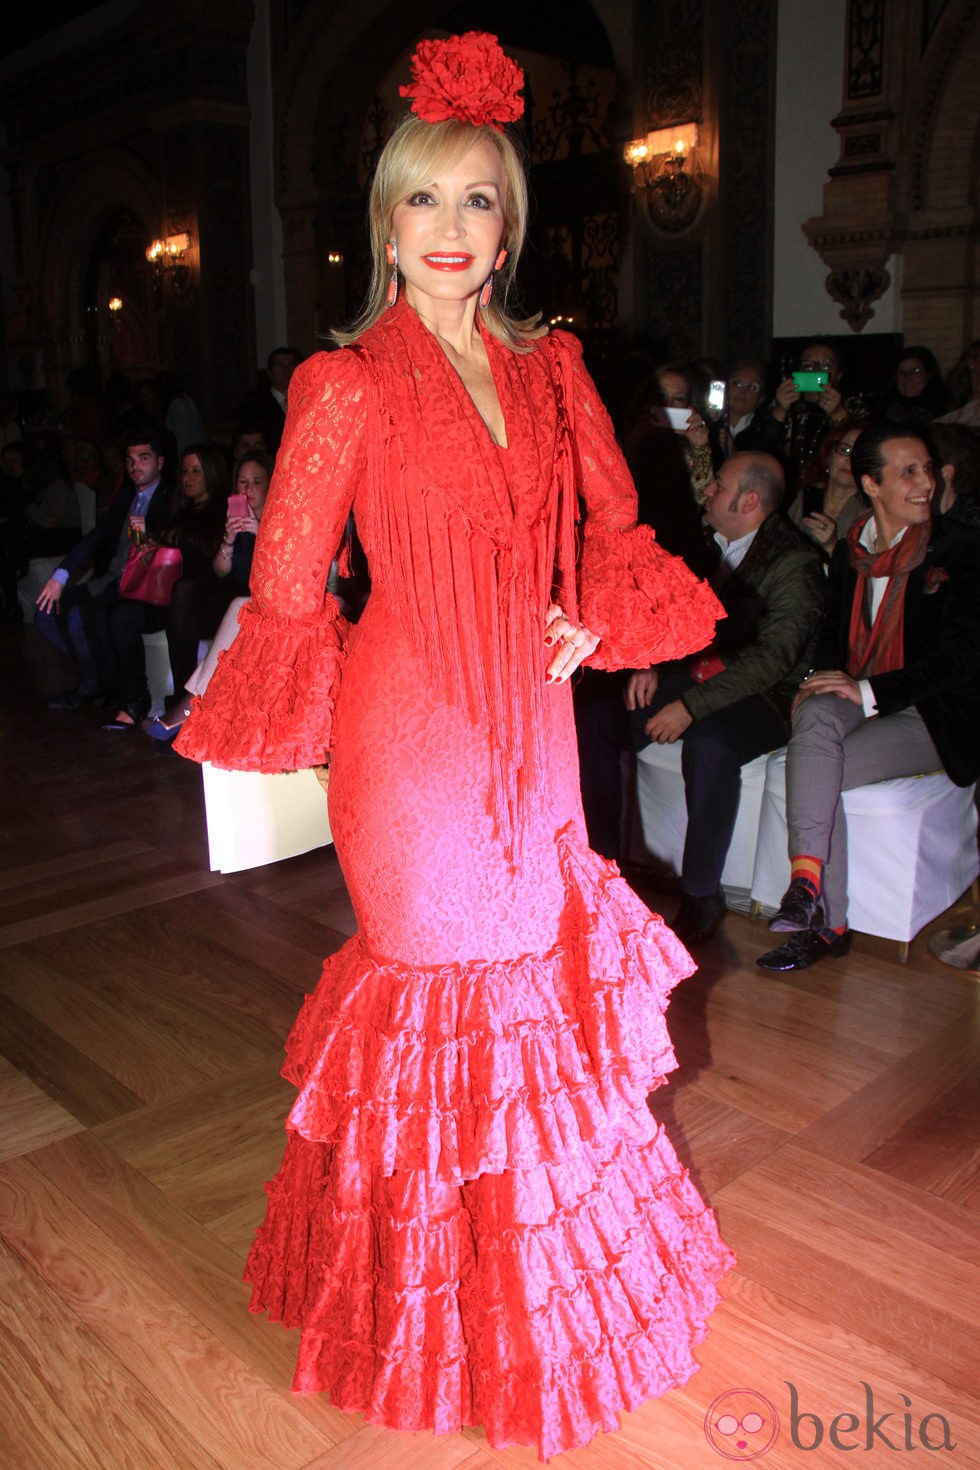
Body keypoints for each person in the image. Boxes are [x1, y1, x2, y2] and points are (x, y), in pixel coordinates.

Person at [175, 32, 732, 1460]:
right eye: (422, 200)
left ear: (510, 225)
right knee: (443, 1005)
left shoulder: (554, 371)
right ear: (384, 223)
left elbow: (615, 532)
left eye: (477, 199)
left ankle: (546, 1310)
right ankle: (438, 1318)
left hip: (537, 738)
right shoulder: (341, 382)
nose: (449, 228)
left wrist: (587, 627)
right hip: (409, 743)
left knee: (538, 997)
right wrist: (325, 709)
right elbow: (291, 587)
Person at [758, 423, 980, 972]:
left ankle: (825, 924)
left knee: (817, 769)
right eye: (908, 472)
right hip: (865, 694)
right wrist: (822, 678)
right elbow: (834, 636)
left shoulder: (961, 549)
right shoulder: (851, 547)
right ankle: (809, 889)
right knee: (814, 715)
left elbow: (962, 661)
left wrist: (866, 689)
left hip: (934, 710)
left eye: (927, 468)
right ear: (871, 485)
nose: (926, 482)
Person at [577, 451, 825, 941]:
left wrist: (690, 706)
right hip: (692, 677)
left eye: (720, 485)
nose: (708, 490)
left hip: (765, 696)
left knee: (709, 746)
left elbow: (773, 659)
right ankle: (602, 871)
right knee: (596, 717)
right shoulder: (700, 540)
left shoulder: (795, 563)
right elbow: (668, 612)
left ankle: (700, 896)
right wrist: (651, 660)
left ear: (749, 500)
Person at [37, 429, 173, 708]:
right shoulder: (126, 495)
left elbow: (175, 539)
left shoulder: (170, 496)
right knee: (44, 613)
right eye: (130, 459)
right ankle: (98, 674)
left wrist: (151, 534)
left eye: (143, 458)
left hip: (144, 584)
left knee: (79, 617)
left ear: (159, 462)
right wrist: (61, 575)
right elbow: (97, 537)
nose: (135, 465)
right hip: (110, 579)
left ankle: (91, 685)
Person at [144, 450, 273, 739]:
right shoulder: (237, 516)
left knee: (239, 606)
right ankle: (186, 702)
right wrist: (229, 538)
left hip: (265, 599)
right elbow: (221, 571)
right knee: (186, 592)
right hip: (233, 598)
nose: (247, 489)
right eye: (242, 482)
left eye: (256, 482)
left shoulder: (279, 521)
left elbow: (281, 575)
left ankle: (187, 710)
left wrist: (261, 532)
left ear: (270, 484)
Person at [789, 420, 865, 559]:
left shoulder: (867, 516)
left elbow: (859, 576)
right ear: (829, 457)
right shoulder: (805, 494)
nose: (849, 460)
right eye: (845, 450)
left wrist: (831, 546)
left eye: (858, 455)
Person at [879, 344, 951, 427]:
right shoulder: (884, 410)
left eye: (915, 371)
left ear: (928, 374)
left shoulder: (946, 410)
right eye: (902, 372)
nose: (908, 377)